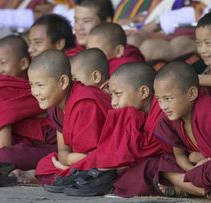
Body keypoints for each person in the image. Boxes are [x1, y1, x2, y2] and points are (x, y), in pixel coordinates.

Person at [62, 62, 166, 197]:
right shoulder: (132, 115)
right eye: (111, 95)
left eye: (118, 94)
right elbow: (115, 150)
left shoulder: (162, 111)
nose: (113, 102)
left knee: (144, 171)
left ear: (143, 92)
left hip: (164, 163)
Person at [28, 49, 111, 185]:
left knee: (73, 171)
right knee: (44, 165)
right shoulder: (54, 106)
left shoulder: (84, 102)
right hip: (79, 160)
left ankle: (69, 175)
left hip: (101, 159)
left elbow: (91, 156)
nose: (35, 92)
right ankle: (68, 174)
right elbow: (63, 150)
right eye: (31, 85)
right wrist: (67, 160)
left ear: (63, 82)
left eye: (40, 85)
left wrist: (69, 163)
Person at [153, 61, 211, 198]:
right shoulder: (168, 120)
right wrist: (194, 171)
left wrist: (198, 160)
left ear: (191, 93)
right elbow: (179, 156)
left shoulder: (206, 110)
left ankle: (186, 187)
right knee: (164, 165)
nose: (163, 106)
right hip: (199, 167)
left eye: (168, 98)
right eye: (159, 100)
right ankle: (204, 191)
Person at [195, 12, 211, 95]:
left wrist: (193, 79)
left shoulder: (198, 77)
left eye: (208, 43)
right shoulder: (206, 70)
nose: (202, 50)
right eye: (199, 44)